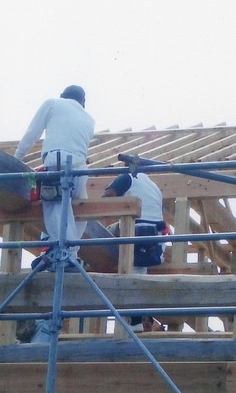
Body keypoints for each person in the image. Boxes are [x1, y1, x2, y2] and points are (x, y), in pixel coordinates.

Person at [14, 85, 95, 265]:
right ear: (83, 102)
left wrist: (16, 159)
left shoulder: (53, 104)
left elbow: (31, 134)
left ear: (62, 96)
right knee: (79, 208)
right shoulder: (89, 119)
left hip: (57, 162)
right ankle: (68, 251)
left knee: (54, 207)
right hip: (81, 168)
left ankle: (65, 254)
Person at [102, 169, 168, 331]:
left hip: (136, 233)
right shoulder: (153, 185)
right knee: (139, 273)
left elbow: (106, 199)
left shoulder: (127, 177)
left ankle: (137, 321)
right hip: (155, 241)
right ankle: (140, 320)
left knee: (103, 234)